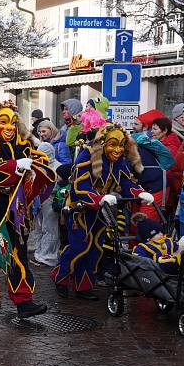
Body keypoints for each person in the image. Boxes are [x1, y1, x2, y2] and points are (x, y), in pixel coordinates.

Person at [0, 101, 54, 318]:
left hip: (14, 210)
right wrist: (15, 166)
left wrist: (35, 163)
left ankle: (24, 302)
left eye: (13, 123)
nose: (9, 127)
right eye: (4, 122)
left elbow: (40, 162)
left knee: (17, 253)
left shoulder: (23, 146)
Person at [54, 123, 152, 299]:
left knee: (96, 249)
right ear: (103, 142)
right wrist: (98, 198)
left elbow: (126, 182)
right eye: (113, 144)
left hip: (101, 210)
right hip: (79, 210)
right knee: (79, 248)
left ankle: (83, 286)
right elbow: (79, 186)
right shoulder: (87, 155)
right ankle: (61, 279)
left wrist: (140, 192)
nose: (118, 149)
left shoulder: (119, 161)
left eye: (121, 145)